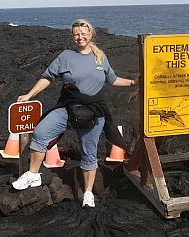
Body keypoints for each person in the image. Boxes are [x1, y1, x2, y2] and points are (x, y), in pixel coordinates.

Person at [12, 18, 139, 208]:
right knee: (40, 133)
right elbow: (48, 77)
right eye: (76, 34)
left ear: (90, 35)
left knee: (89, 153)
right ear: (73, 37)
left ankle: (88, 193)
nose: (80, 37)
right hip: (68, 107)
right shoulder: (65, 56)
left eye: (83, 34)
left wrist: (132, 83)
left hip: (94, 112)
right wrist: (30, 94)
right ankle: (33, 175)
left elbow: (111, 79)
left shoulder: (100, 56)